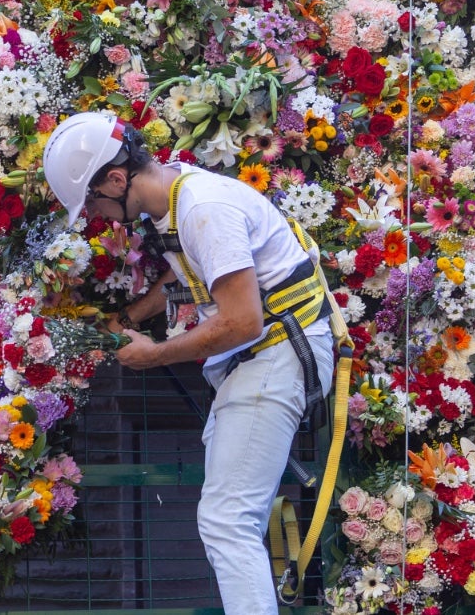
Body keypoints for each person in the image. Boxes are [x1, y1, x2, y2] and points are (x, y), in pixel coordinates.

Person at [42, 111, 335, 615]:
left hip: (274, 356)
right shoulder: (175, 196)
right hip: (263, 359)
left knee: (226, 520)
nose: (97, 214)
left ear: (117, 179)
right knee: (232, 520)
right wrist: (131, 315)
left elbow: (242, 320)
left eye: (93, 200)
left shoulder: (204, 209)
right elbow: (196, 276)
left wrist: (153, 355)